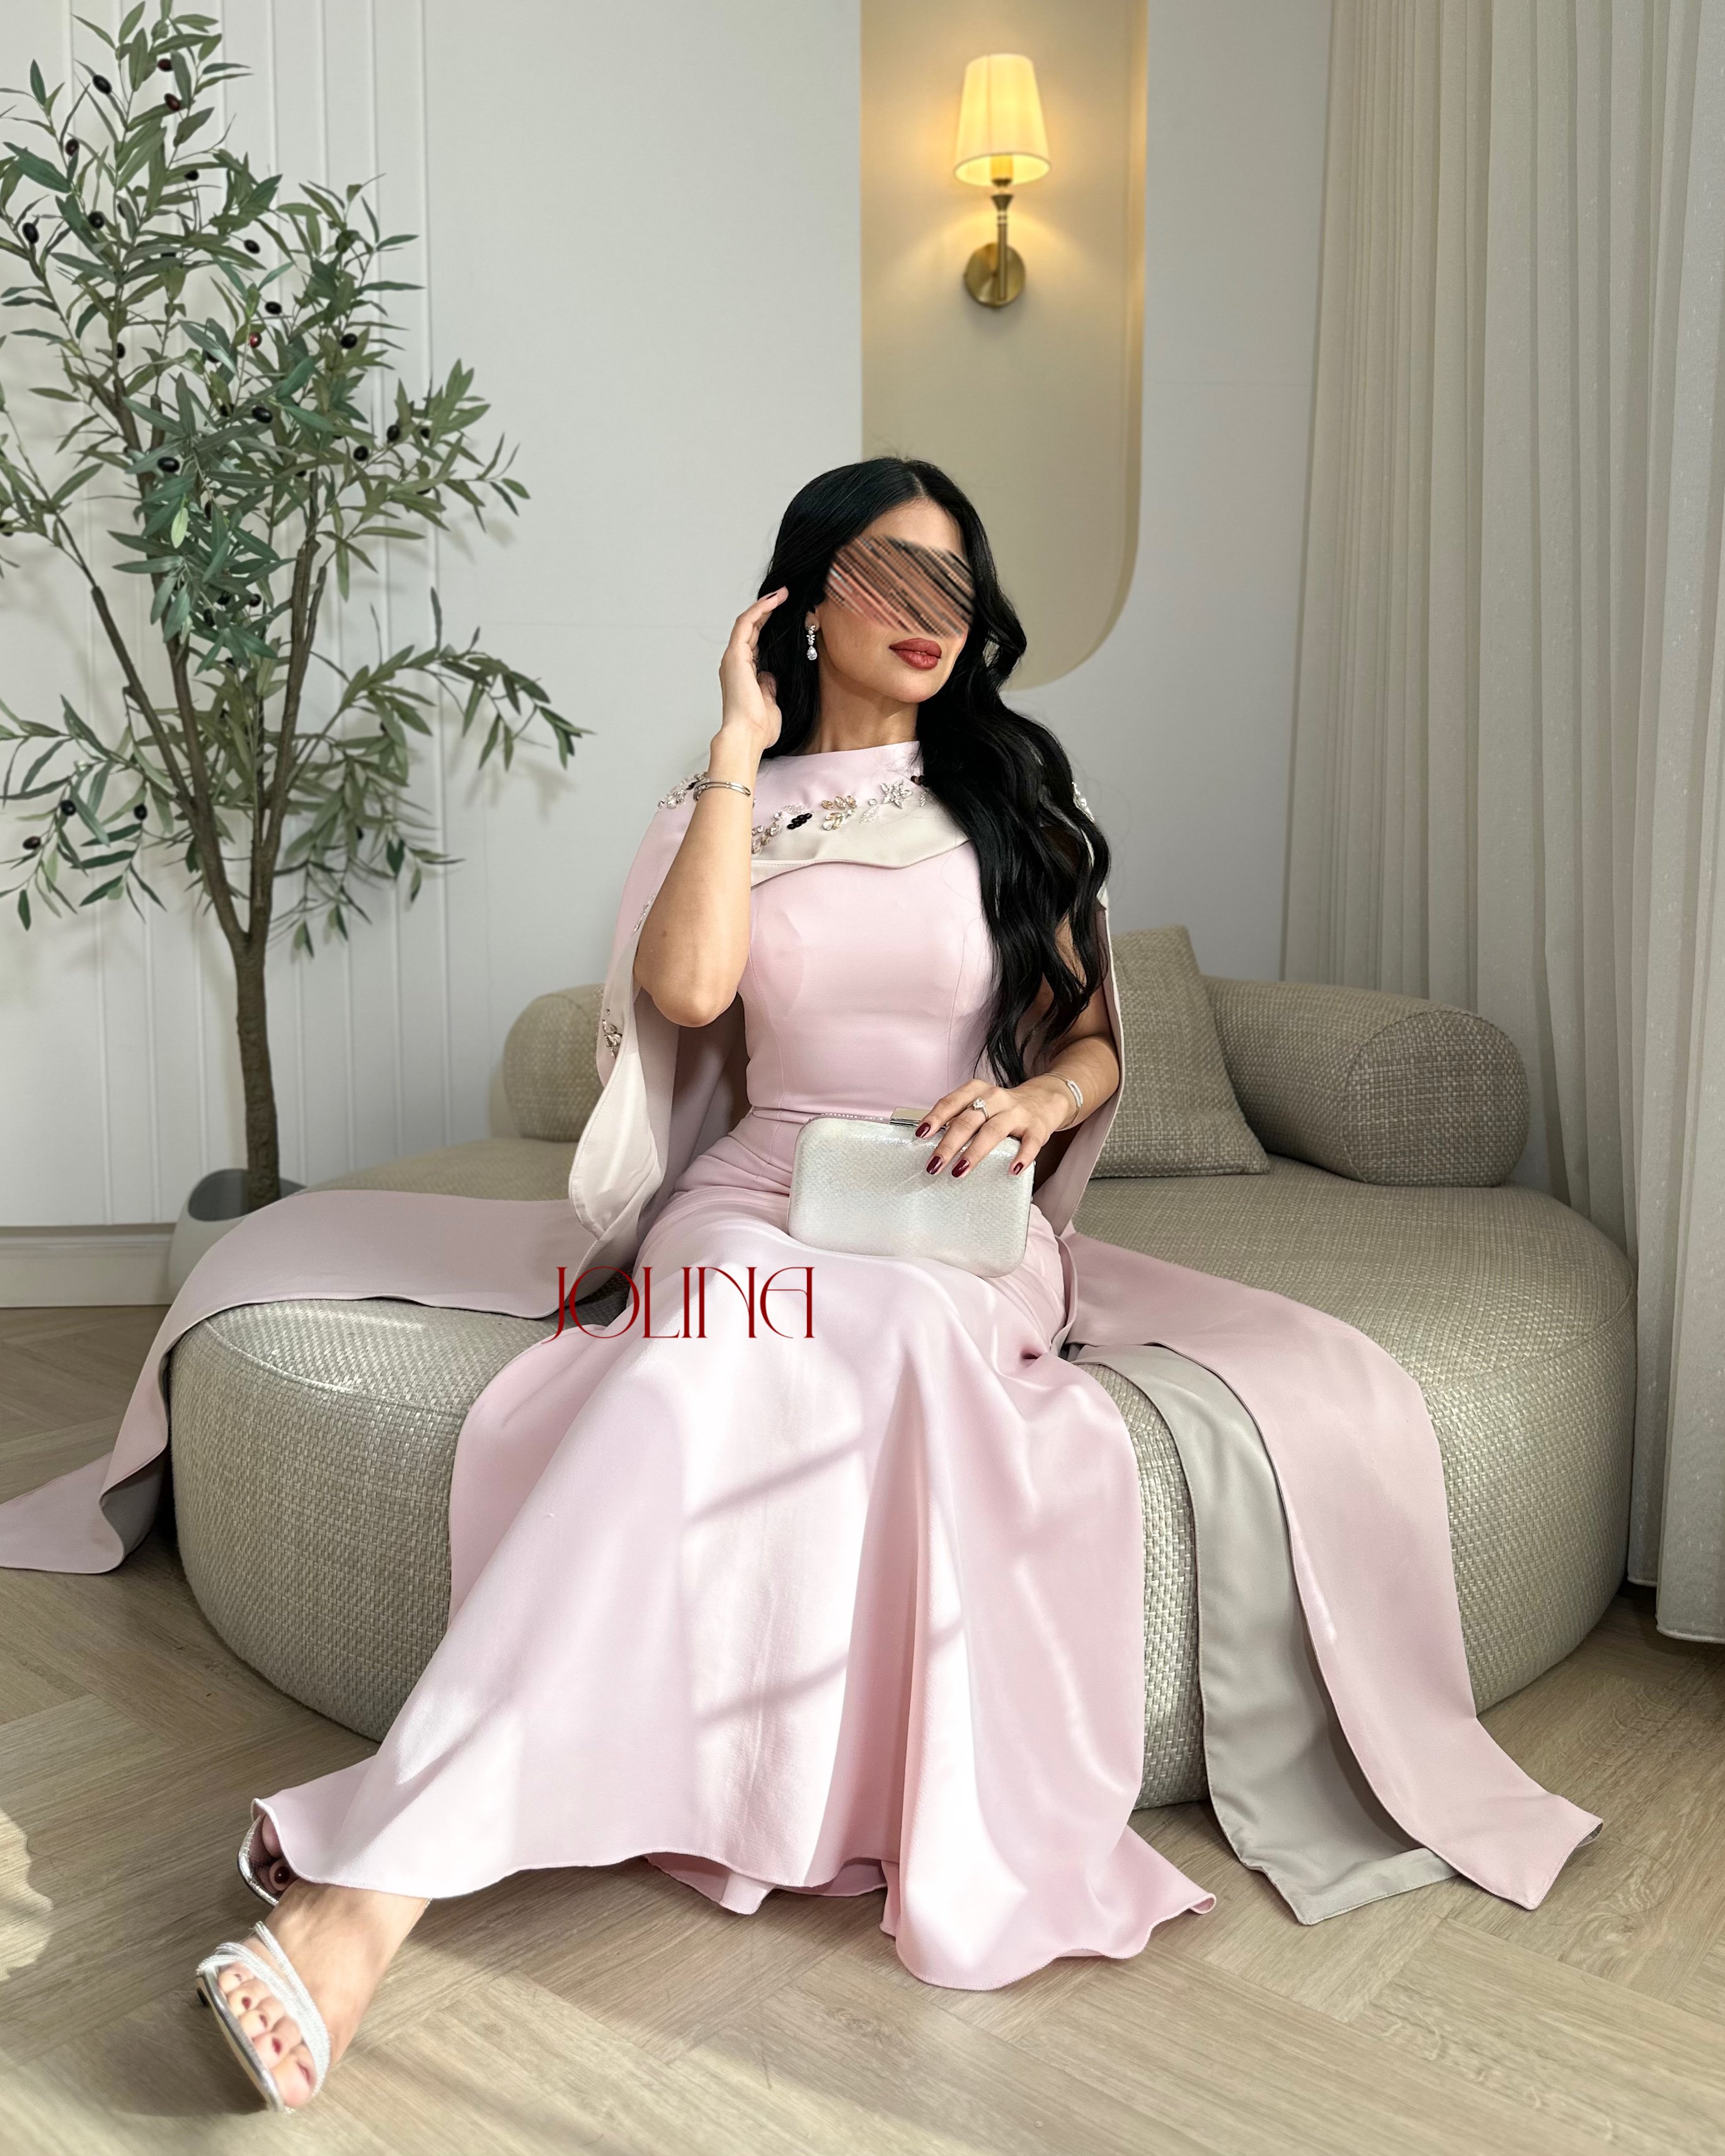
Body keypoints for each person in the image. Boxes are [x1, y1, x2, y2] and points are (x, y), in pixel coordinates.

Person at [0, 457, 1599, 2113]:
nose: (930, 615)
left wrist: (1037, 1104)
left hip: (948, 1216)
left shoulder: (1017, 812)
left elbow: (1086, 1042)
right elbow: (693, 991)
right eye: (891, 575)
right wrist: (734, 751)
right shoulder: (730, 804)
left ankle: (375, 1889)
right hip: (756, 1198)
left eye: (955, 586)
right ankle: (374, 1893)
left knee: (884, 1339)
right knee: (692, 1359)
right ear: (806, 599)